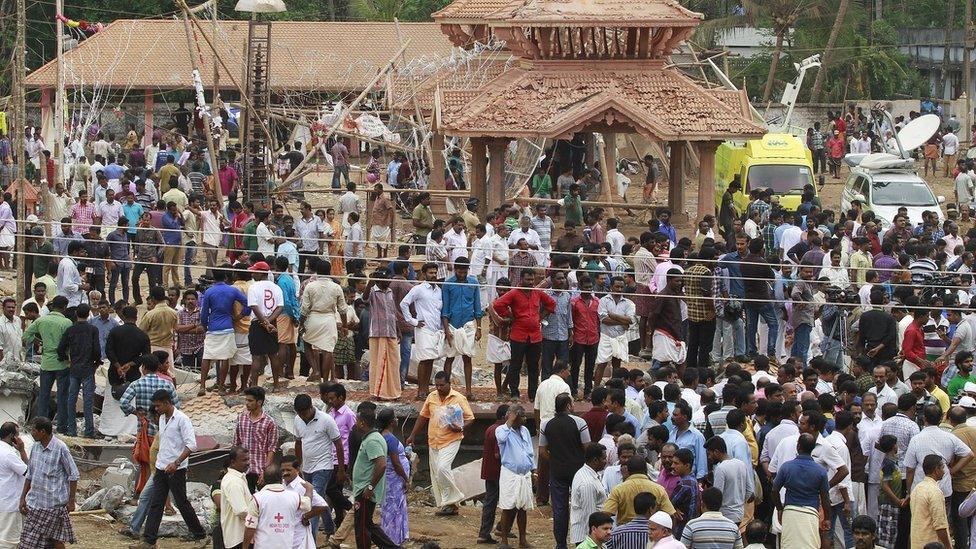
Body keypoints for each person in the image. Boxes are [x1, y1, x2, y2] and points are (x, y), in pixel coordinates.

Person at [135, 389, 207, 548]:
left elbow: (191, 445)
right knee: (157, 503)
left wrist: (176, 462)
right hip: (161, 467)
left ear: (167, 403)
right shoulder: (161, 418)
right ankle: (149, 540)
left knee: (181, 503)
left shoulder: (182, 419)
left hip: (177, 469)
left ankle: (200, 534)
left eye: (158, 405)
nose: (156, 409)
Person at [406, 371, 474, 516]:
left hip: (451, 439)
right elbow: (423, 416)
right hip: (434, 440)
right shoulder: (431, 397)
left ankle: (455, 498)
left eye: (442, 385)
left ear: (449, 383)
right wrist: (412, 435)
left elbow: (470, 418)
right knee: (437, 474)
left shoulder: (459, 398)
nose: (439, 388)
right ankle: (449, 505)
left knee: (443, 468)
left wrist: (461, 427)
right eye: (436, 385)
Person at [493, 268, 557, 400]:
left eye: (532, 279)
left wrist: (540, 316)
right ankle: (514, 393)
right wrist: (510, 315)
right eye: (528, 279)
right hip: (518, 335)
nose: (530, 282)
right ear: (521, 279)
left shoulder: (537, 292)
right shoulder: (514, 293)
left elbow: (551, 303)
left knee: (533, 366)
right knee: (515, 365)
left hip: (535, 336)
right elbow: (498, 305)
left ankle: (533, 394)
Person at [18, 417, 79, 549]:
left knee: (56, 540)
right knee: (28, 542)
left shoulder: (61, 448)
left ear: (43, 432)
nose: (32, 433)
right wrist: (23, 498)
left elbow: (73, 475)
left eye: (34, 430)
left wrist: (71, 501)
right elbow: (30, 474)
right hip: (35, 503)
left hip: (54, 506)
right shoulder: (35, 447)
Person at [292, 392, 345, 537]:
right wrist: (297, 466)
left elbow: (338, 444)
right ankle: (329, 529)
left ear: (311, 407)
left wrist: (341, 470)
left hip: (324, 466)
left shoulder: (326, 420)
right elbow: (298, 442)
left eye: (304, 413)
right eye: (300, 414)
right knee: (318, 499)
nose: (303, 416)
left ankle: (311, 540)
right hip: (307, 467)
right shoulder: (297, 420)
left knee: (312, 503)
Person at [349, 401, 399, 549]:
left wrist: (370, 487)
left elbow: (382, 464)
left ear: (363, 423)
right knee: (366, 524)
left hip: (366, 490)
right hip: (363, 488)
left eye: (357, 421)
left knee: (362, 527)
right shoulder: (371, 438)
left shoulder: (373, 440)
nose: (356, 424)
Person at [22, 295, 73, 433]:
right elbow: (69, 343)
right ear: (64, 307)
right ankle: (62, 427)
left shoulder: (41, 320)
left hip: (46, 363)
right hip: (62, 364)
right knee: (62, 396)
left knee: (43, 396)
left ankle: (40, 427)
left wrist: (40, 340)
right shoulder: (67, 322)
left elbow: (26, 336)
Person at [772, 433, 832, 549]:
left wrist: (779, 509)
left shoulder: (786, 467)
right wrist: (827, 518)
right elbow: (825, 498)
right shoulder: (820, 471)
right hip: (811, 514)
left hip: (790, 512)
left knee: (789, 545)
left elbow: (774, 490)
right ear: (813, 448)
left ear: (798, 446)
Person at [199, 266, 248, 395]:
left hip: (213, 326)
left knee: (207, 356)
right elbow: (248, 303)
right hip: (227, 325)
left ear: (214, 278)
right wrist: (239, 316)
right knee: (224, 358)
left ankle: (202, 387)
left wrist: (205, 326)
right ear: (226, 277)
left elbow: (204, 313)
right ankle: (221, 387)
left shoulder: (209, 291)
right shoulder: (232, 290)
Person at [56, 303, 100, 439]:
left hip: (74, 368)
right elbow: (97, 351)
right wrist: (95, 364)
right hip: (88, 369)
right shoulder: (93, 330)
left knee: (71, 400)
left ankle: (71, 430)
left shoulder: (71, 330)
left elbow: (60, 349)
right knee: (88, 401)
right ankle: (89, 432)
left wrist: (66, 360)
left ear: (76, 314)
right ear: (88, 315)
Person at [242, 462, 313, 548]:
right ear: (281, 478)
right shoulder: (294, 497)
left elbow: (250, 526)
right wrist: (309, 489)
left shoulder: (257, 498)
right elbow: (307, 505)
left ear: (264, 479)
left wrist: (245, 547)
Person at [401, 262, 445, 399]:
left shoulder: (439, 290)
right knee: (424, 359)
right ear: (424, 274)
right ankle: (421, 390)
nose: (433, 275)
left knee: (431, 359)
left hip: (436, 329)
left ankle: (426, 389)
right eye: (431, 273)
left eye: (435, 273)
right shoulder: (418, 289)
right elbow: (404, 304)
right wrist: (413, 321)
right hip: (423, 328)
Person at [495, 405, 536, 548]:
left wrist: (534, 470)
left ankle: (522, 540)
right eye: (522, 416)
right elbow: (501, 438)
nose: (525, 419)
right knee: (508, 507)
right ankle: (504, 540)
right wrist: (510, 420)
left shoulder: (524, 430)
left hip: (524, 474)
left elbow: (529, 452)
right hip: (510, 473)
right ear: (514, 416)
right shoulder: (501, 430)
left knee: (523, 508)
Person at [442, 257, 483, 398]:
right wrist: (446, 330)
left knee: (467, 358)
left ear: (467, 269)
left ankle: (469, 391)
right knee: (449, 357)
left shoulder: (473, 283)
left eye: (464, 271)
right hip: (452, 324)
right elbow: (445, 309)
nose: (462, 273)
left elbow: (478, 307)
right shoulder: (448, 284)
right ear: (455, 270)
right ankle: (446, 389)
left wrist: (479, 328)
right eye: (459, 271)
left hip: (468, 324)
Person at [246, 261, 285, 390]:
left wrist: (264, 322)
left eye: (255, 271)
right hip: (272, 322)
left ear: (261, 273)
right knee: (273, 354)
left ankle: (254, 386)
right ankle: (276, 384)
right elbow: (280, 307)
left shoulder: (253, 287)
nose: (252, 273)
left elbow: (254, 306)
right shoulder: (276, 287)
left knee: (256, 356)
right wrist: (269, 322)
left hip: (258, 323)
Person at [232, 386, 279, 493]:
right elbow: (236, 444)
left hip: (260, 469)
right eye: (246, 400)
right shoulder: (241, 418)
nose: (247, 403)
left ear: (259, 402)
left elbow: (272, 448)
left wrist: (265, 472)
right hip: (244, 470)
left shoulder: (269, 422)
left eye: (250, 400)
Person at [365, 268, 402, 400]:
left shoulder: (390, 292)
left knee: (394, 362)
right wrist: (371, 281)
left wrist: (398, 329)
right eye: (386, 280)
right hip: (378, 332)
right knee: (378, 363)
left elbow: (393, 311)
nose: (389, 282)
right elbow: (364, 299)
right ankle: (377, 392)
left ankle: (394, 392)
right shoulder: (373, 292)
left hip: (391, 331)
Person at [569, 443, 608, 546]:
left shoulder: (587, 473)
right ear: (595, 460)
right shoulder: (587, 483)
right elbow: (589, 515)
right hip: (587, 537)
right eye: (603, 459)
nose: (606, 461)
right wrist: (594, 540)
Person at [911, 454, 953, 549]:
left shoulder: (917, 489)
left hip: (916, 543)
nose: (944, 471)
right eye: (942, 467)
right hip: (932, 544)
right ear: (936, 470)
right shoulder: (935, 492)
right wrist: (948, 547)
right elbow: (940, 526)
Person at [218, 447, 251, 549]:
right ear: (233, 462)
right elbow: (241, 510)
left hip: (240, 536)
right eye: (244, 460)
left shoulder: (238, 478)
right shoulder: (234, 482)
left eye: (248, 459)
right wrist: (258, 517)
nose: (248, 463)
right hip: (239, 537)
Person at [0, 422, 26, 548]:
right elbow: (29, 472)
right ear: (12, 436)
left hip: (3, 501)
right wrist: (22, 450)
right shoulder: (9, 454)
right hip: (10, 503)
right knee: (9, 542)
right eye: (18, 434)